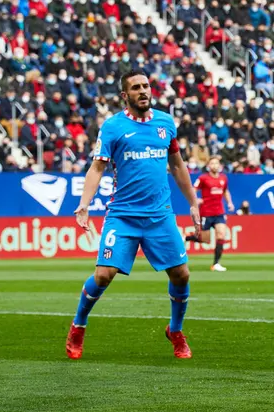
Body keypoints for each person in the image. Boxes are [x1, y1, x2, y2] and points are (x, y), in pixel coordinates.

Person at [66, 71, 202, 360]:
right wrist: (84, 204)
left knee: (181, 274)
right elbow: (97, 168)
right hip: (123, 215)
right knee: (103, 275)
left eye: (146, 86)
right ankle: (78, 325)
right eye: (136, 88)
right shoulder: (113, 127)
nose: (143, 91)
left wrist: (192, 202)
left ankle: (175, 331)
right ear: (125, 95)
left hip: (160, 215)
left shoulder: (165, 123)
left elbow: (177, 166)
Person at [185, 156, 235, 271]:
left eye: (216, 163)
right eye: (212, 163)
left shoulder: (223, 178)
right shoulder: (203, 178)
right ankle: (186, 238)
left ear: (220, 166)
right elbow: (193, 189)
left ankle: (216, 264)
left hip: (219, 212)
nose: (214, 166)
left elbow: (225, 191)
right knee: (205, 239)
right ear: (208, 166)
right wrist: (195, 200)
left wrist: (230, 203)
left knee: (221, 235)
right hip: (206, 213)